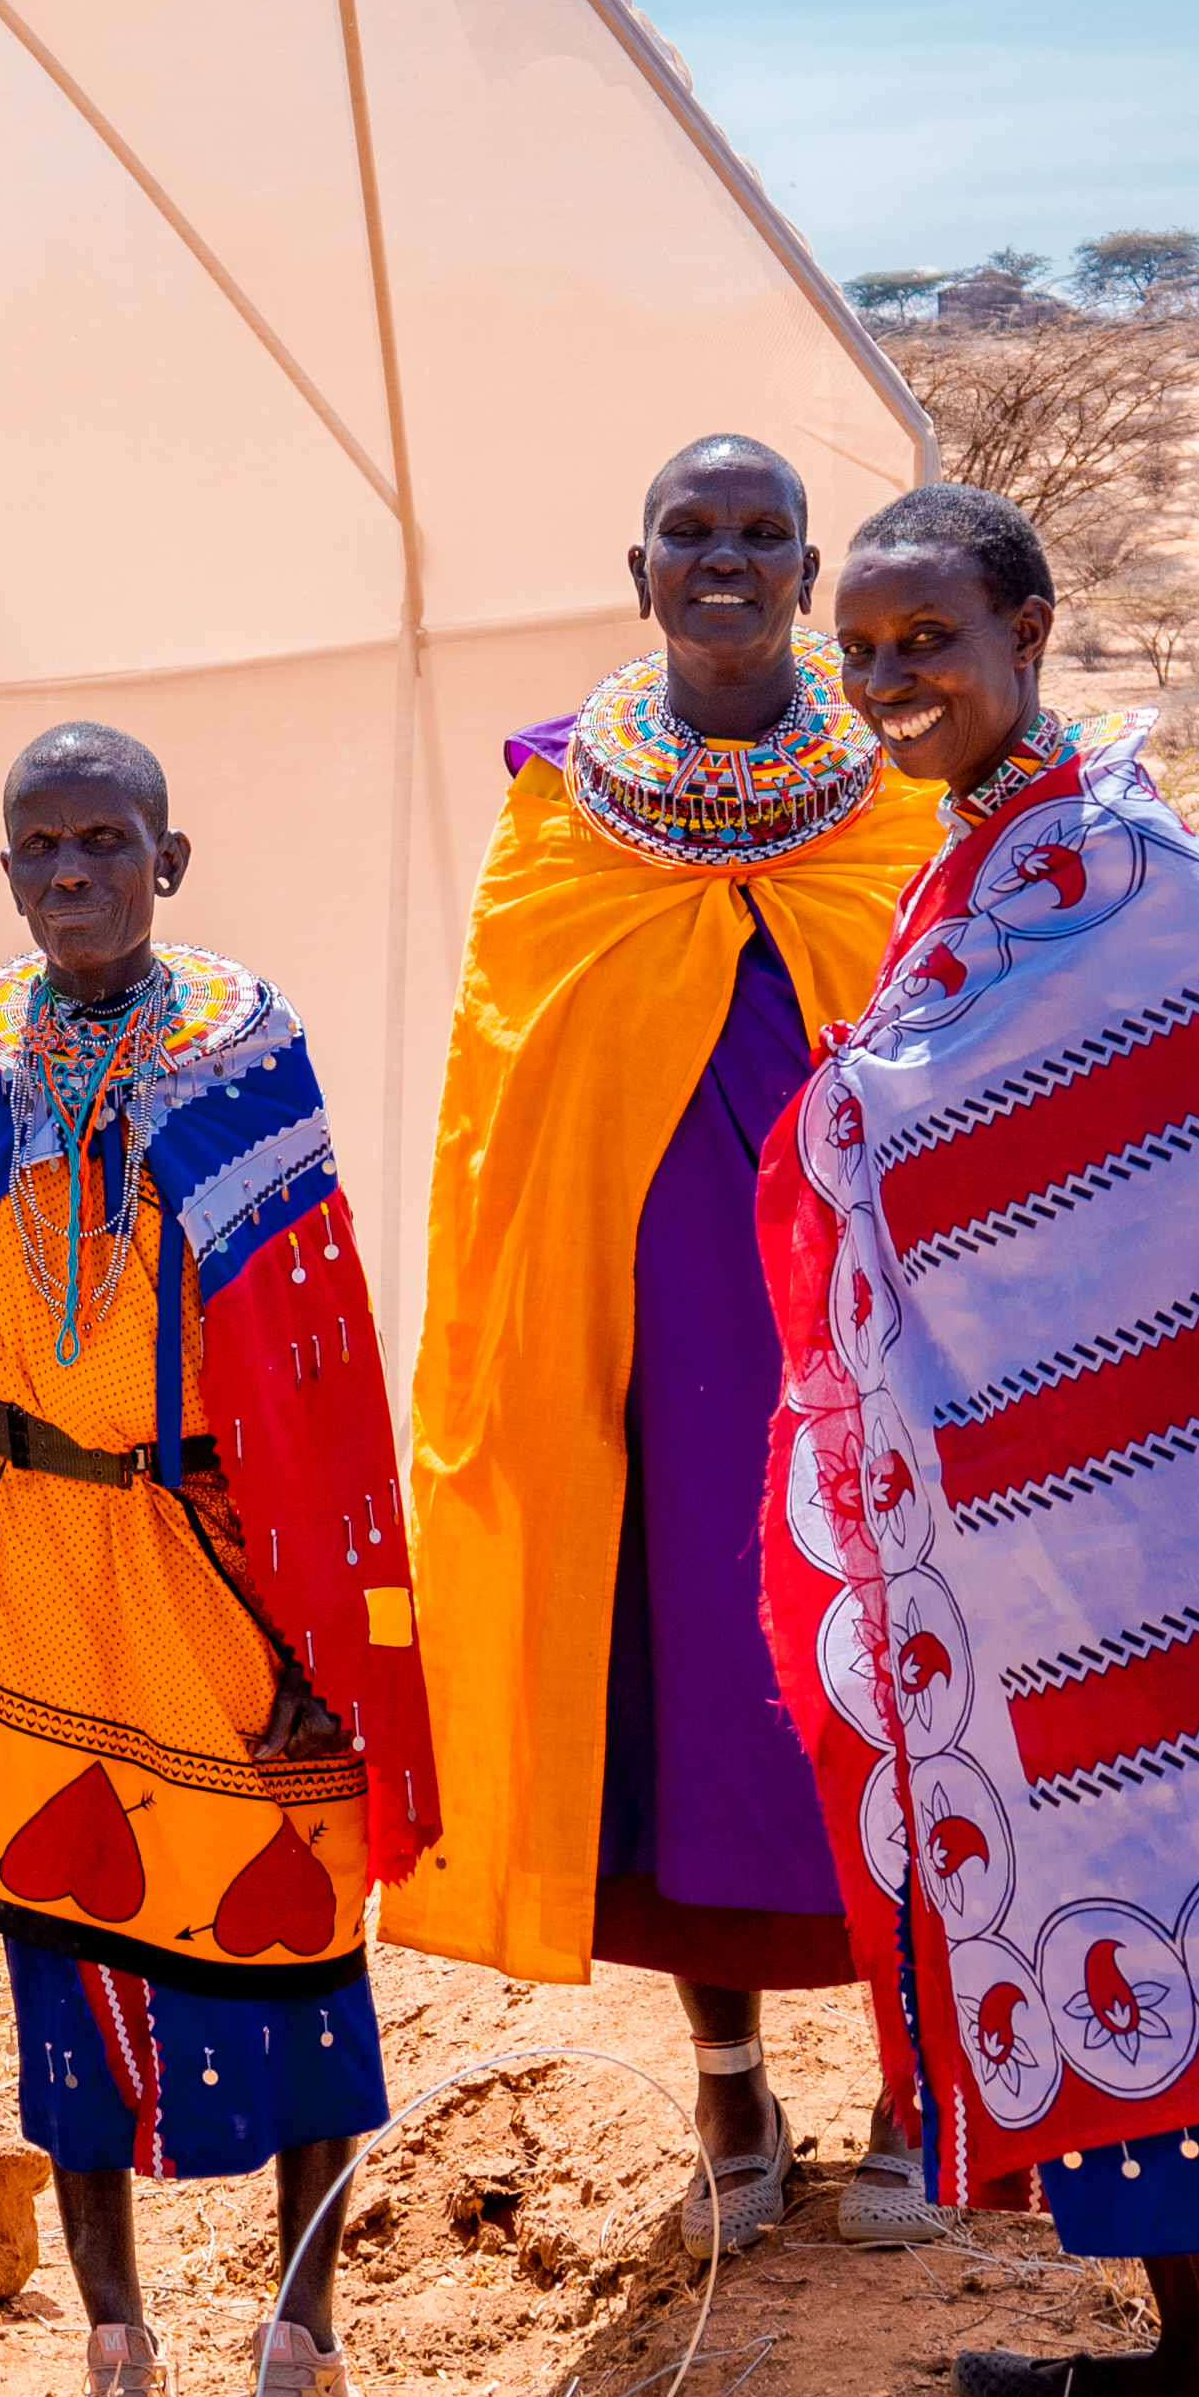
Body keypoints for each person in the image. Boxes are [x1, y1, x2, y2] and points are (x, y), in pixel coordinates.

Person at [770, 485, 1199, 2397]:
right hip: (1062, 1518)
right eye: (859, 649)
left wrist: (851, 1107)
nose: (887, 684)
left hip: (1187, 1515)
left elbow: (1172, 1156)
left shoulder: (1132, 878)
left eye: (925, 641)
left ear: (1031, 626)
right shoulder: (1006, 859)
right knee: (1099, 1920)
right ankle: (1186, 2368)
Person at [394, 436, 947, 2254]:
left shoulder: (897, 803)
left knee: (892, 1680)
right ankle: (728, 2098)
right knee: (670, 1699)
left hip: (867, 1354)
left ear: (808, 570)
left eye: (761, 535)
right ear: (637, 567)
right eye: (691, 535)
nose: (727, 560)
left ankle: (918, 2088)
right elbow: (505, 1116)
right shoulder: (559, 810)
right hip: (639, 1356)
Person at [0, 727, 438, 2397]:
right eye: (39, 844)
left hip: (220, 1559)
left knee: (296, 1966)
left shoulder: (246, 1052)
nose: (72, 873)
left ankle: (302, 2363)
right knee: (71, 1978)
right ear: (4, 869)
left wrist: (320, 1632)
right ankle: (115, 2375)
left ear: (170, 855)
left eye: (105, 841)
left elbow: (312, 1356)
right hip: (33, 1565)